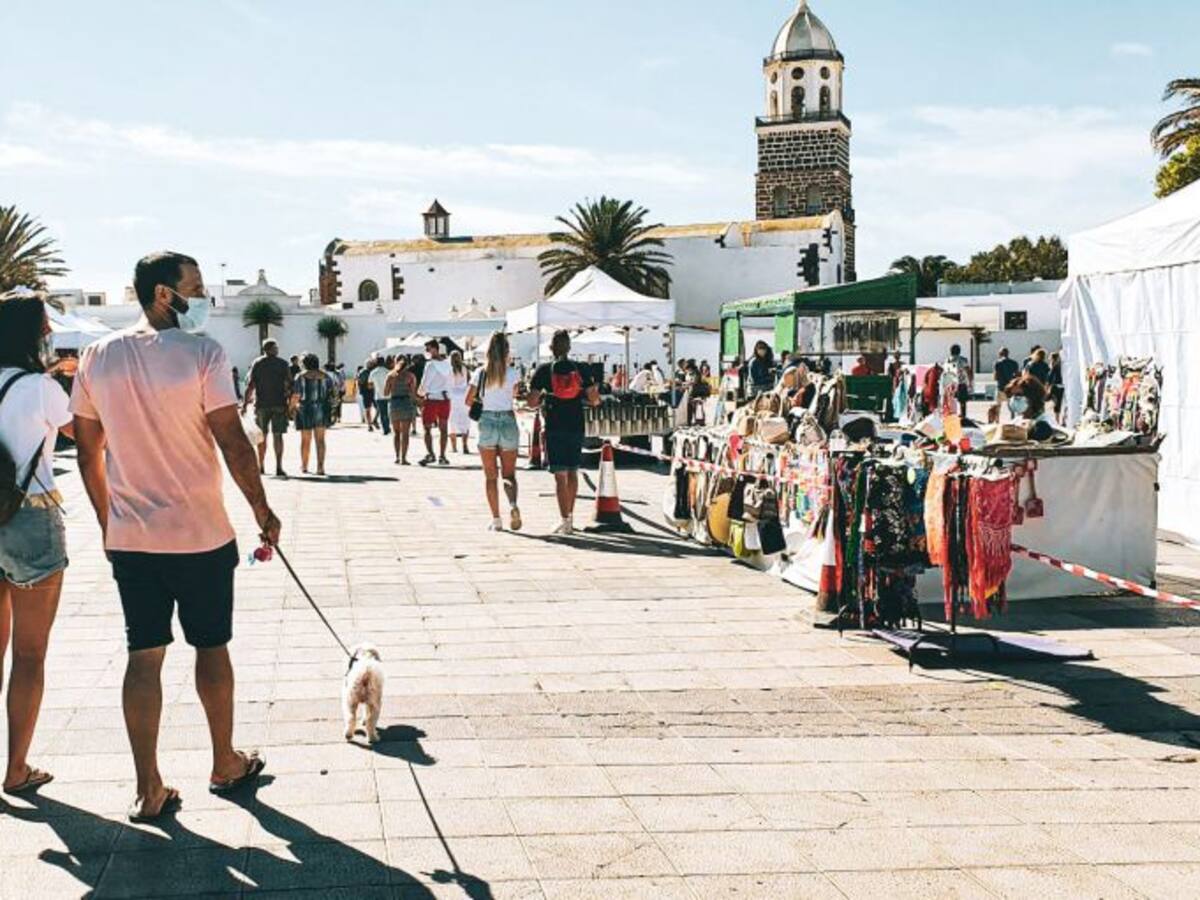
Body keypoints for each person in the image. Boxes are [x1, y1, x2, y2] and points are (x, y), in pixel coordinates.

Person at [71, 251, 279, 821]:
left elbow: (87, 450)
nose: (203, 296)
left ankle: (148, 787)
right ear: (165, 294)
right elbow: (232, 440)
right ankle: (224, 762)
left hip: (132, 539)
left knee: (144, 655)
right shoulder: (202, 353)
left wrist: (107, 520)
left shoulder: (97, 356)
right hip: (199, 534)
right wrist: (261, 508)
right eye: (196, 286)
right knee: (211, 646)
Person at [0, 292, 74, 796]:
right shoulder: (41, 388)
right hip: (29, 518)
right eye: (45, 326)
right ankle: (16, 767)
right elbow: (84, 434)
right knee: (28, 655)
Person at [527, 329, 599, 536]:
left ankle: (564, 520)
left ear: (551, 348)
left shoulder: (543, 370)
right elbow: (594, 400)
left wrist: (543, 397)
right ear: (569, 347)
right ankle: (571, 517)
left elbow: (531, 402)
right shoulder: (581, 369)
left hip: (555, 425)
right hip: (576, 424)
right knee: (573, 471)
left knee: (560, 475)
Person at [466, 332, 524, 532]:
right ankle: (513, 505)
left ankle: (496, 519)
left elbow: (468, 400)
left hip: (487, 422)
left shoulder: (480, 373)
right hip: (507, 420)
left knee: (491, 477)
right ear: (507, 351)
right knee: (509, 474)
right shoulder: (513, 373)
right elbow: (515, 394)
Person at [241, 338, 291, 477]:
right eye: (275, 348)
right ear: (269, 349)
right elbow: (289, 384)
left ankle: (261, 465)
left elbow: (251, 385)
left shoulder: (257, 363)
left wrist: (245, 404)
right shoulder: (283, 364)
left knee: (262, 436)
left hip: (262, 404)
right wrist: (290, 403)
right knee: (278, 435)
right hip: (279, 404)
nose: (277, 350)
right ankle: (279, 467)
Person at [292, 353, 334, 476]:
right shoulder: (326, 376)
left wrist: (291, 408)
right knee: (320, 440)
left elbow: (296, 395)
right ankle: (320, 467)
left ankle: (304, 466)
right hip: (322, 408)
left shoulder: (300, 377)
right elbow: (332, 393)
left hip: (304, 409)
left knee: (305, 440)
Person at [418, 339, 452, 466]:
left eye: (428, 349)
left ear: (434, 349)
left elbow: (425, 383)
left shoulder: (430, 365)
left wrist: (420, 393)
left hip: (431, 399)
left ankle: (431, 454)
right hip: (445, 399)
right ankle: (442, 456)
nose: (426, 351)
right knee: (444, 429)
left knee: (427, 428)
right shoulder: (447, 364)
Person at [385, 356, 418, 464]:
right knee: (405, 434)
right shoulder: (410, 376)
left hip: (394, 404)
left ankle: (397, 457)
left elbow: (385, 392)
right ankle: (403, 458)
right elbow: (413, 394)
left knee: (396, 433)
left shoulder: (390, 376)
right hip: (406, 404)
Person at [447, 350, 472, 455]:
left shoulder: (448, 369)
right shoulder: (464, 368)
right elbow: (469, 381)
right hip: (464, 396)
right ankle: (465, 445)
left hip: (452, 397)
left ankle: (454, 447)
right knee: (465, 421)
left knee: (452, 422)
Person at [944, 343, 974, 418]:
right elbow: (968, 371)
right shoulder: (963, 360)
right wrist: (970, 381)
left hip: (950, 383)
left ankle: (951, 414)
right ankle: (963, 415)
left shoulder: (947, 360)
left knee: (950, 400)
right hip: (961, 382)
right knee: (962, 401)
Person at [993, 348, 1020, 421]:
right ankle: (1012, 420)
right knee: (1012, 407)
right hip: (1011, 388)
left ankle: (997, 421)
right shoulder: (1014, 363)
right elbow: (1017, 375)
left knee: (998, 406)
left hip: (1000, 387)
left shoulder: (997, 363)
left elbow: (995, 377)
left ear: (1000, 354)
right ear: (1008, 353)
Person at [368, 356, 391, 436]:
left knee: (382, 413)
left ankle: (385, 429)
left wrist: (376, 385)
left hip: (378, 396)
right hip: (389, 395)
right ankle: (388, 427)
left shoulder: (373, 373)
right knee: (388, 413)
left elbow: (370, 385)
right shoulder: (388, 371)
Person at [357, 361, 376, 431]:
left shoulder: (362, 372)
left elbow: (359, 382)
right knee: (372, 409)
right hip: (371, 392)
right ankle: (371, 424)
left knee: (368, 409)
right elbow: (360, 382)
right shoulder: (371, 372)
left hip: (366, 393)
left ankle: (370, 424)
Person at [1048, 350, 1065, 424]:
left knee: (1056, 404)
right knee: (1062, 403)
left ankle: (1057, 420)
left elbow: (1050, 378)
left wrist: (1048, 386)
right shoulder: (1063, 366)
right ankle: (1062, 419)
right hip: (1063, 387)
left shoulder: (1054, 367)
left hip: (1056, 387)